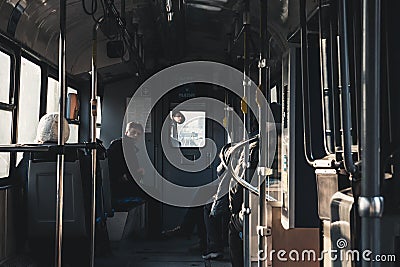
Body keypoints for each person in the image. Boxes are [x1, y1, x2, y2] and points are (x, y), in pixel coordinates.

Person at [107, 121, 146, 207]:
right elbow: (120, 173)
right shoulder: (121, 146)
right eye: (133, 132)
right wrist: (138, 173)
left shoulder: (127, 146)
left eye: (138, 134)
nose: (136, 135)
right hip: (117, 188)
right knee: (153, 194)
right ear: (126, 133)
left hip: (122, 184)